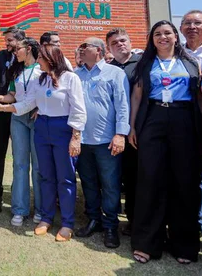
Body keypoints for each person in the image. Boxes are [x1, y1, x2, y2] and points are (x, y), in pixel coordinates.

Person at [129, 20, 202, 264]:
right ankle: (148, 243)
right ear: (152, 40)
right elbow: (138, 95)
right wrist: (131, 127)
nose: (162, 37)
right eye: (157, 34)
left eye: (167, 33)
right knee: (151, 179)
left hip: (184, 119)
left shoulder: (191, 63)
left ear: (176, 36)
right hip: (153, 118)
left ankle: (184, 244)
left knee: (184, 181)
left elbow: (200, 97)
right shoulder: (146, 63)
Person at [0, 44, 86, 241]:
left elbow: (78, 109)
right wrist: (3, 108)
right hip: (42, 127)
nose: (38, 61)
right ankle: (46, 218)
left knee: (65, 177)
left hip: (63, 128)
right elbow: (28, 104)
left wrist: (76, 137)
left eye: (41, 58)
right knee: (46, 176)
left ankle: (67, 224)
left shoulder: (70, 78)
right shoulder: (40, 80)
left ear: (50, 59)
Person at [75, 38, 129, 249]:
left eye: (84, 46)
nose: (80, 49)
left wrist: (120, 134)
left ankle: (110, 226)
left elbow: (123, 106)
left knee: (110, 185)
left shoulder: (115, 73)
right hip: (82, 140)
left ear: (98, 50)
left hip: (107, 141)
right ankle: (94, 219)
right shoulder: (76, 75)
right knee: (88, 182)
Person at [0, 37, 42, 226]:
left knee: (38, 167)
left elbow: (43, 95)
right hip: (18, 119)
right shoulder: (17, 70)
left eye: (17, 49)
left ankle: (41, 209)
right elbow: (13, 95)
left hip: (37, 120)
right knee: (19, 165)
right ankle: (19, 209)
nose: (14, 53)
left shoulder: (41, 69)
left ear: (28, 49)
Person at [180, 10, 202, 232]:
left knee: (200, 176)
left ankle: (198, 223)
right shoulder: (175, 52)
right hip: (181, 120)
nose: (192, 26)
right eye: (187, 23)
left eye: (197, 23)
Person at [106, 27, 141, 236]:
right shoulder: (108, 68)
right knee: (117, 177)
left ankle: (136, 219)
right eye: (114, 43)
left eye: (123, 40)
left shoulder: (142, 64)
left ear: (129, 41)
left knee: (136, 178)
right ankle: (118, 216)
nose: (120, 44)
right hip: (114, 132)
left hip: (137, 132)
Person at [0, 27, 25, 213]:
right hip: (1, 110)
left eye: (10, 40)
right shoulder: (2, 55)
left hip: (22, 111)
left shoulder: (27, 59)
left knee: (21, 157)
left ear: (20, 41)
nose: (7, 44)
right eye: (6, 40)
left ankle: (19, 198)